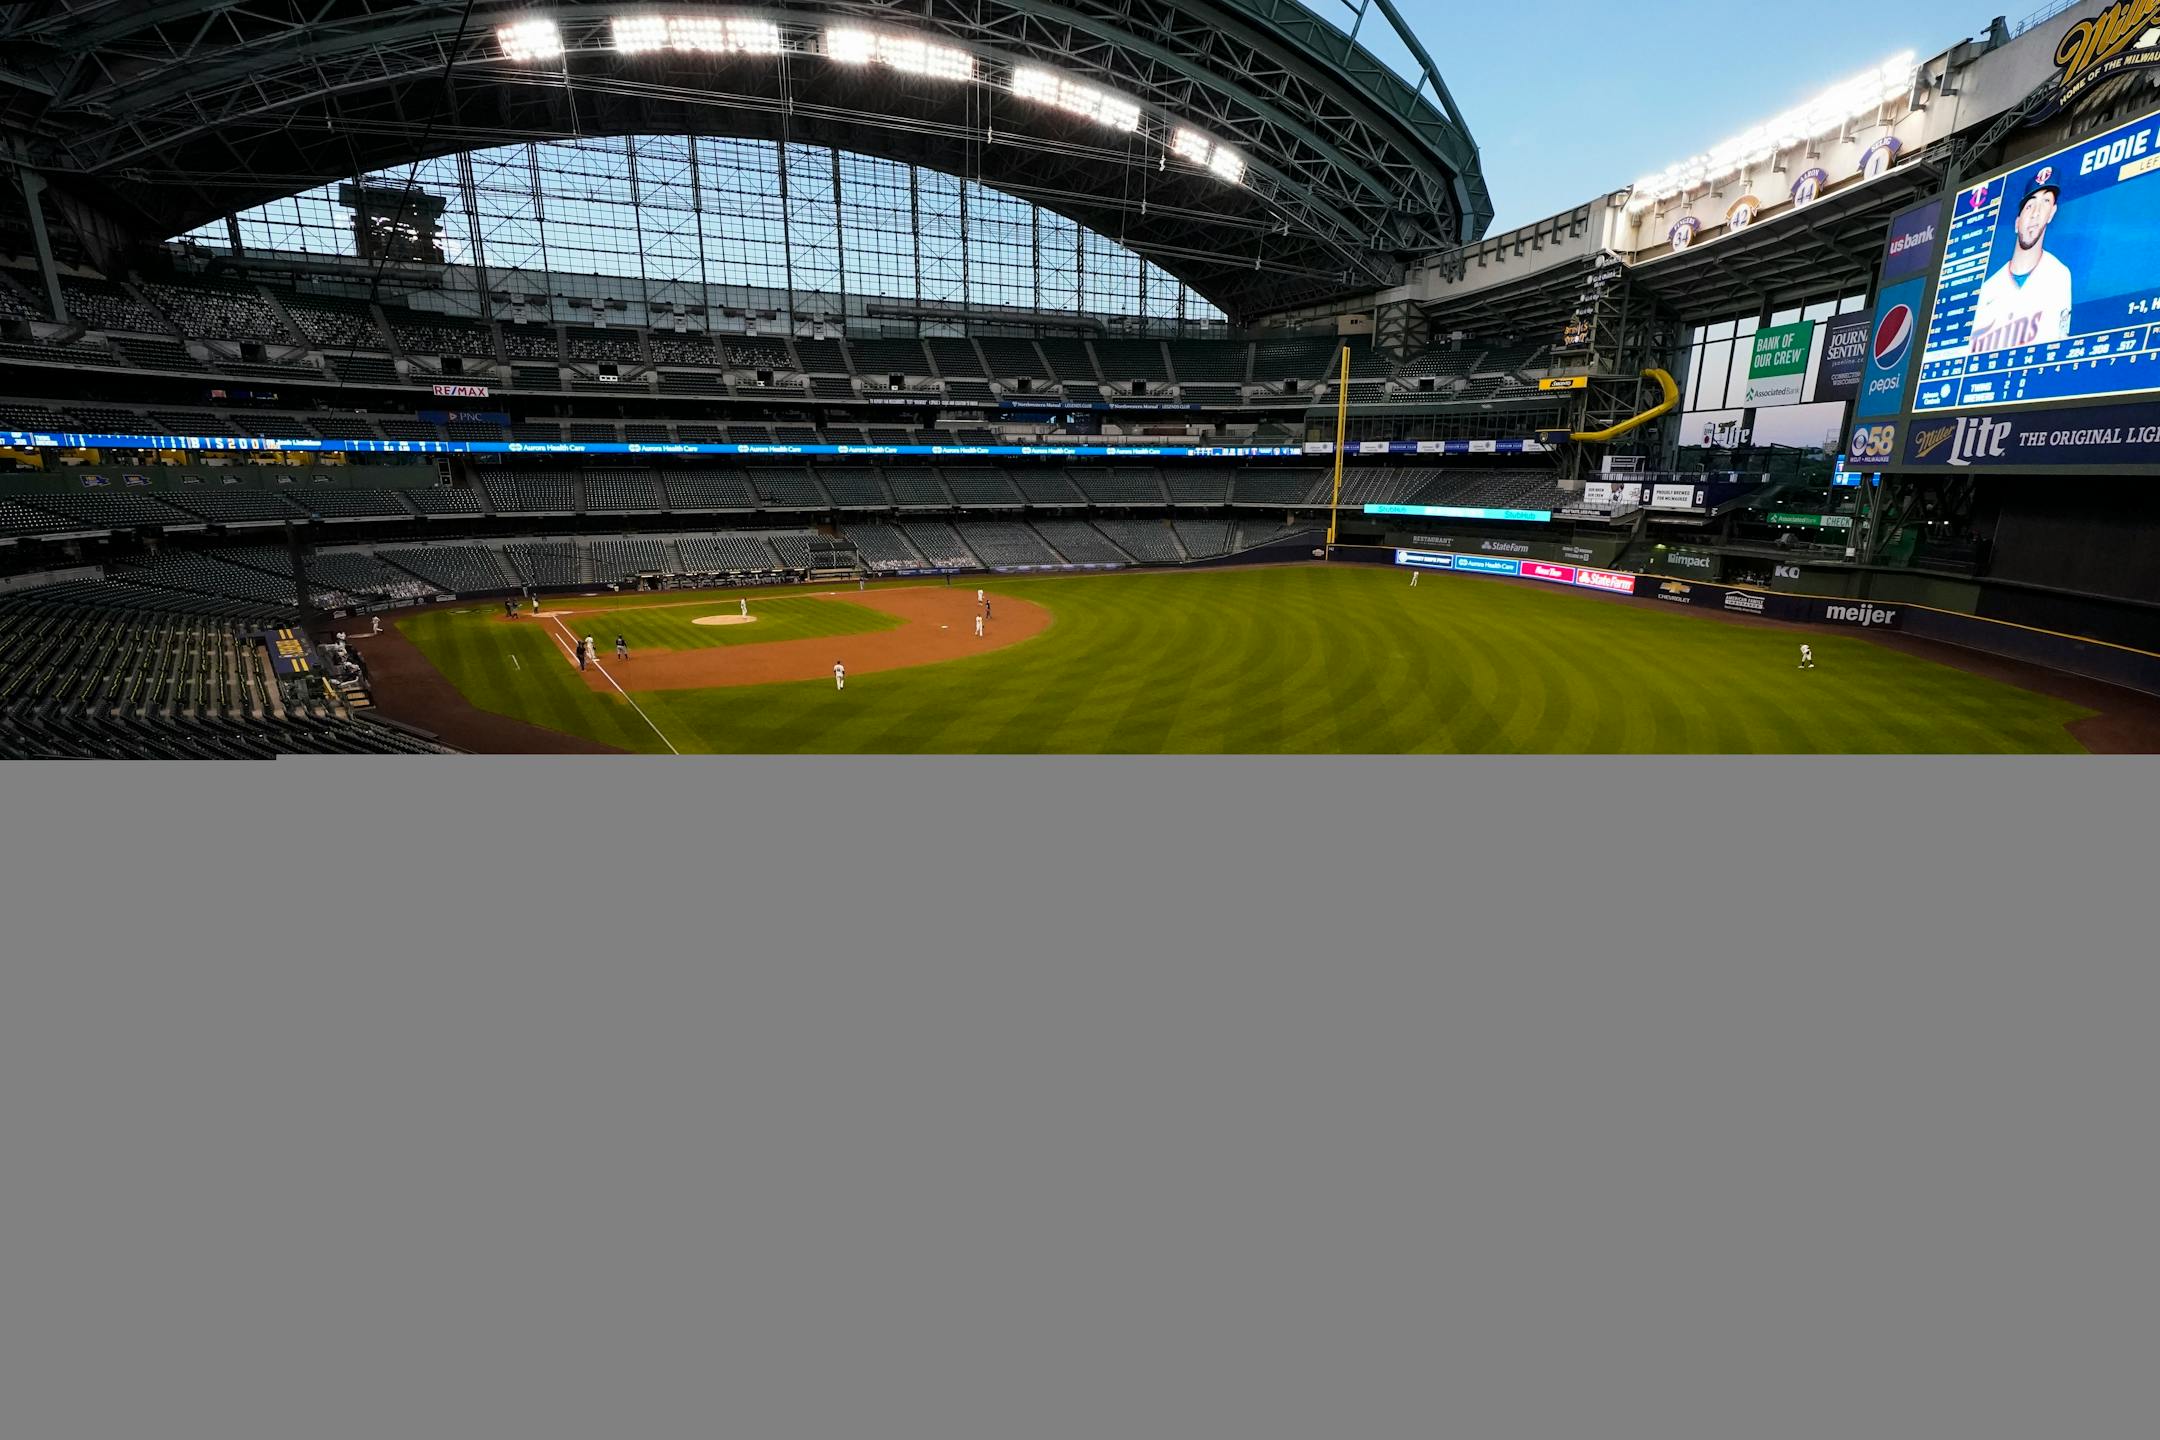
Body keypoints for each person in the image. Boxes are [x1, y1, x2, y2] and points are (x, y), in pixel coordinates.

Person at [1970, 171, 2074, 354]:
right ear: (2016, 223)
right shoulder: (1987, 291)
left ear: (2052, 213)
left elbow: (2057, 349)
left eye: (2046, 202)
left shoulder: (2059, 275)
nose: (2035, 213)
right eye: (2029, 205)